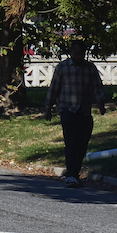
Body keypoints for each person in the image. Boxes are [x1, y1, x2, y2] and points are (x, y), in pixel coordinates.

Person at [45, 39, 107, 187]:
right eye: (77, 54)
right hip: (67, 109)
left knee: (82, 143)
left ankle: (75, 172)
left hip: (84, 111)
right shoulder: (63, 67)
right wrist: (48, 108)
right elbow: (54, 88)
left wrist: (101, 104)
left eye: (82, 54)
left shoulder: (90, 68)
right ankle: (71, 175)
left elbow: (97, 86)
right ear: (71, 52)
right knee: (71, 141)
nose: (79, 57)